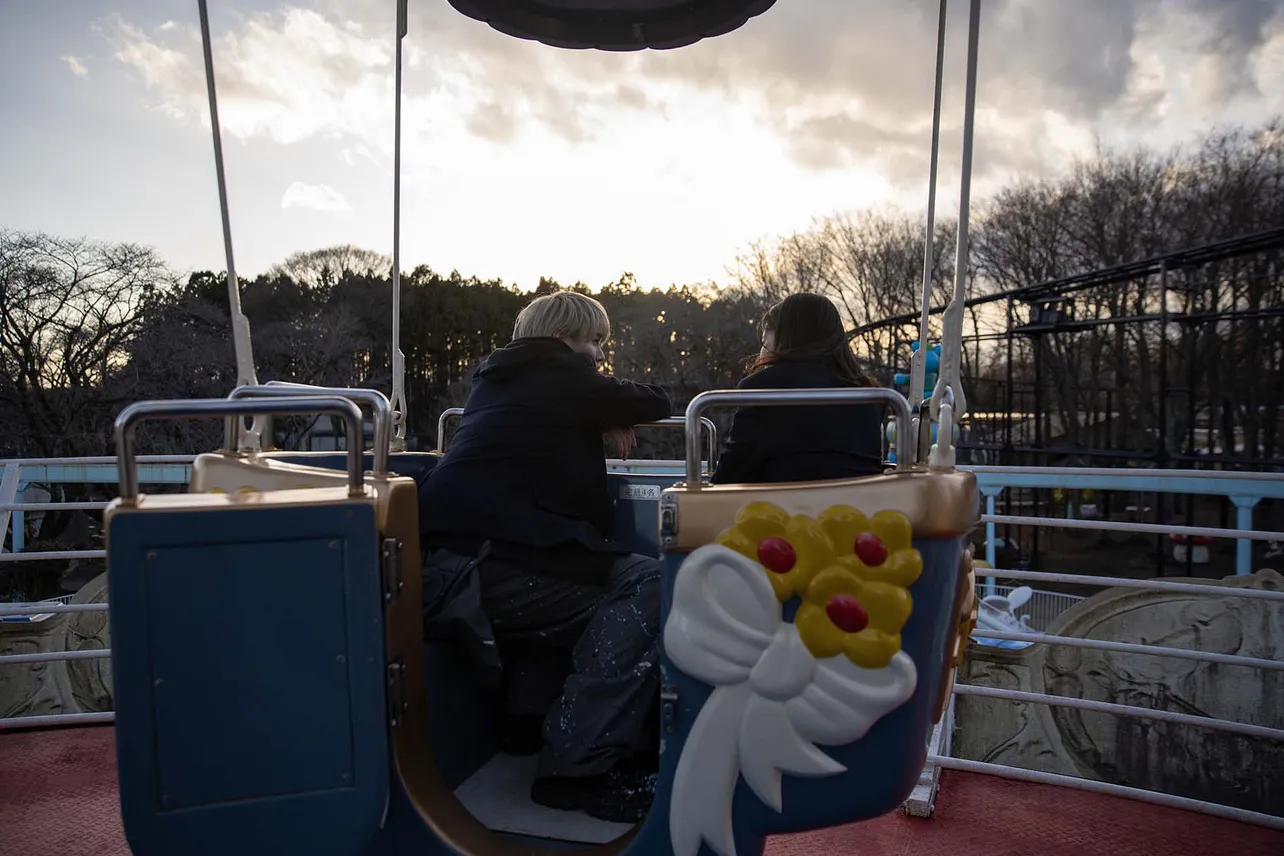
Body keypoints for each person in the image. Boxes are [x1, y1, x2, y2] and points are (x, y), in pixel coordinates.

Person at [418, 291, 671, 823]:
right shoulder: (560, 373)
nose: (599, 354)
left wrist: (595, 416)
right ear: (563, 338)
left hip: (448, 556)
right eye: (593, 341)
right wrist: (605, 410)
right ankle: (577, 768)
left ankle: (525, 723)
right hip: (482, 563)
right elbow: (655, 402)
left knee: (575, 579)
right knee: (647, 583)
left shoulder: (497, 379)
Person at [712, 292, 885, 485]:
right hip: (861, 510)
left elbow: (733, 472)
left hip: (785, 510)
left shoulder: (761, 388)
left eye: (765, 337)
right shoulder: (870, 394)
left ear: (783, 337)